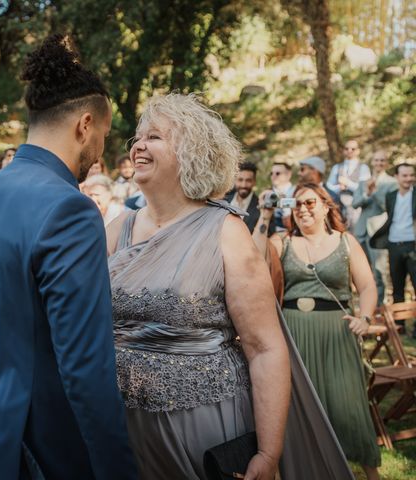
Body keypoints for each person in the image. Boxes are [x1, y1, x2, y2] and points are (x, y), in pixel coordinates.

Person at [0, 34, 136, 479]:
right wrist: (116, 467)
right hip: (40, 449)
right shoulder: (70, 209)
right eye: (104, 137)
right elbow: (85, 364)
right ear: (85, 125)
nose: (101, 152)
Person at [106, 93, 290, 480]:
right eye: (137, 137)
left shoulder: (226, 231)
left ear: (192, 152)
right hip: (121, 423)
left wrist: (269, 453)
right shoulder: (115, 229)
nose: (138, 145)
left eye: (154, 136)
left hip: (201, 423)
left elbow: (264, 347)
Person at [262, 183, 380, 480]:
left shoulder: (346, 241)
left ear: (327, 206)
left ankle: (370, 473)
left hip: (336, 333)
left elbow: (366, 286)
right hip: (294, 333)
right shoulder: (281, 241)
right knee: (296, 409)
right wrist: (265, 214)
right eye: (297, 204)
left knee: (349, 408)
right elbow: (251, 257)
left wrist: (364, 318)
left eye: (310, 203)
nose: (303, 209)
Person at [371, 163, 416, 327]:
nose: (409, 178)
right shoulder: (391, 196)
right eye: (405, 175)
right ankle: (400, 325)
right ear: (397, 177)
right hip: (394, 244)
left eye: (411, 175)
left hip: (413, 244)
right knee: (397, 287)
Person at [353, 150, 398, 306]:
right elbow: (355, 203)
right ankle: (364, 304)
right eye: (376, 160)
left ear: (386, 163)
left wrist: (375, 192)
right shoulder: (362, 182)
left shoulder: (392, 183)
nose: (379, 163)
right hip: (361, 230)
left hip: (378, 231)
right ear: (372, 162)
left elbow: (389, 207)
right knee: (359, 271)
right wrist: (366, 193)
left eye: (382, 160)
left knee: (379, 271)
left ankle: (380, 306)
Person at [327, 140, 372, 229]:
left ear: (358, 151)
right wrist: (339, 187)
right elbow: (329, 186)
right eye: (346, 148)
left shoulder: (364, 168)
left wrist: (348, 183)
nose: (349, 151)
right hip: (339, 206)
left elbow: (365, 189)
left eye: (353, 149)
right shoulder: (336, 167)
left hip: (358, 207)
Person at [224, 161, 260, 233]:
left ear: (254, 182)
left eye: (248, 180)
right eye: (240, 180)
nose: (244, 185)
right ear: (234, 180)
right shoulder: (223, 201)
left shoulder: (261, 208)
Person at [270, 162, 294, 232]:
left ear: (288, 175)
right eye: (271, 173)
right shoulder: (267, 193)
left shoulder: (297, 192)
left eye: (278, 173)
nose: (273, 176)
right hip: (272, 234)